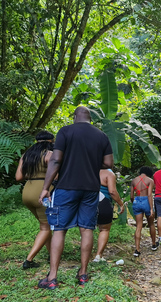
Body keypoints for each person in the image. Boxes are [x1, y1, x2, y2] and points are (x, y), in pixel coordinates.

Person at [37, 106, 113, 290]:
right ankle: (83, 274)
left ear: (74, 117)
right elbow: (109, 163)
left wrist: (46, 188)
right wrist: (91, 160)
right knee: (87, 229)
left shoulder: (65, 131)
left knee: (59, 229)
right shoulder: (101, 135)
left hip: (66, 187)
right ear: (90, 118)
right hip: (91, 189)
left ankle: (53, 277)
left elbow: (55, 160)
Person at [15, 131, 55, 269]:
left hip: (27, 192)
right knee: (46, 227)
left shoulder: (26, 155)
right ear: (51, 141)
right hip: (42, 192)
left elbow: (18, 177)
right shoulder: (49, 154)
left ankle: (52, 254)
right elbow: (56, 177)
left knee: (45, 225)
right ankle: (29, 260)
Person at [93, 169, 124, 262]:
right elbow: (112, 191)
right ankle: (98, 255)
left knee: (87, 229)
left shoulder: (89, 169)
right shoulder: (108, 173)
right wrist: (120, 204)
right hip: (103, 201)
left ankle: (85, 256)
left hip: (88, 201)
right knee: (104, 229)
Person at [130, 166, 157, 257]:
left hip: (137, 201)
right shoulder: (150, 180)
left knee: (138, 226)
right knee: (151, 224)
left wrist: (134, 202)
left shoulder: (133, 180)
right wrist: (151, 209)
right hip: (146, 201)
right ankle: (153, 244)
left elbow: (131, 196)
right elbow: (149, 195)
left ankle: (137, 249)